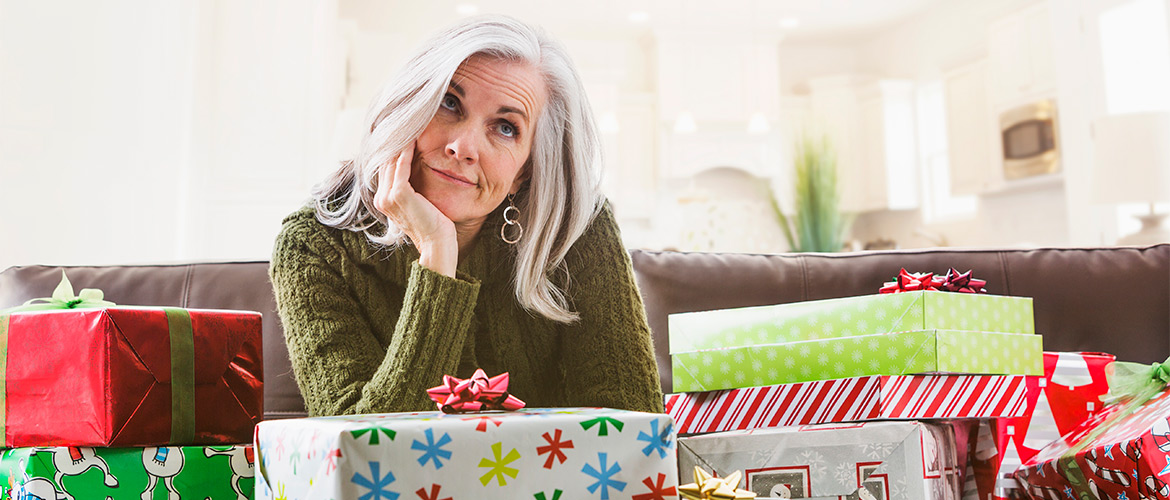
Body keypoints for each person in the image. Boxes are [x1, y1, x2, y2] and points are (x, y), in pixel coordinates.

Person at [269, 15, 664, 416]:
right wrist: (437, 261)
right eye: (449, 103)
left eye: (506, 128)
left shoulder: (577, 226)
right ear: (407, 107)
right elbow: (359, 450)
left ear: (524, 171)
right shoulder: (314, 244)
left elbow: (634, 428)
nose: (464, 146)